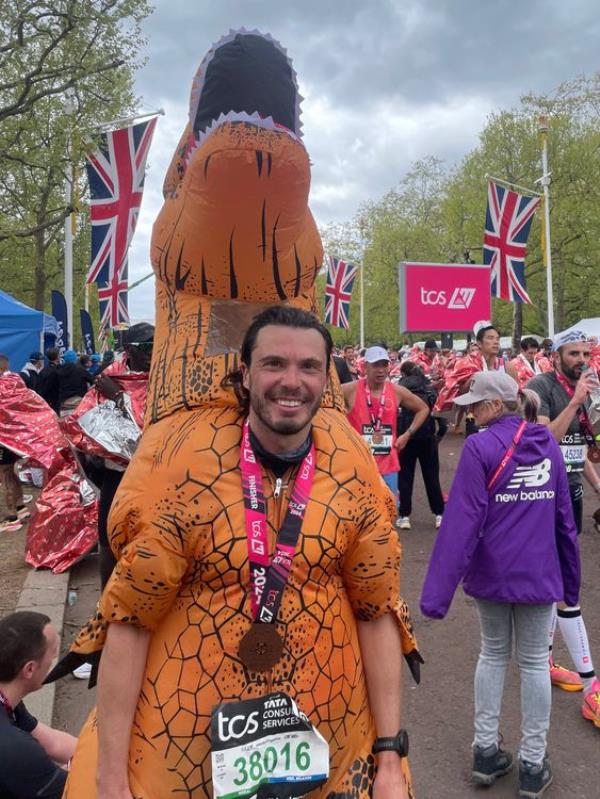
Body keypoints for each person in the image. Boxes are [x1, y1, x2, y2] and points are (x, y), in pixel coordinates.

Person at [54, 306, 419, 799]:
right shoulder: (185, 468)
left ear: (326, 377)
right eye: (274, 364)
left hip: (331, 744)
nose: (291, 381)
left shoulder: (351, 469)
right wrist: (112, 778)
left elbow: (377, 613)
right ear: (245, 374)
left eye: (309, 366)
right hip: (188, 748)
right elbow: (130, 622)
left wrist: (390, 758)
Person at [421, 371, 580, 798]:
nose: (470, 412)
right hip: (539, 574)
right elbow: (564, 519)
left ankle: (485, 751)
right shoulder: (547, 443)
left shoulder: (480, 446)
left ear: (495, 405)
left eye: (475, 404)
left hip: (491, 574)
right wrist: (572, 582)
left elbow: (460, 524)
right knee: (532, 663)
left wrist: (436, 597)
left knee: (492, 654)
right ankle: (532, 763)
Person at [527, 329, 600, 725]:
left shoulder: (586, 388)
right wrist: (574, 402)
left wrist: (598, 486)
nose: (581, 360)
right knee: (566, 591)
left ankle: (546, 660)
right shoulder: (539, 387)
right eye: (573, 353)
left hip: (570, 497)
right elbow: (543, 440)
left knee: (560, 584)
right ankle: (592, 686)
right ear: (555, 356)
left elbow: (577, 450)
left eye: (585, 353)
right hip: (544, 501)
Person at [0, 611, 77, 798]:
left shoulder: (7, 699)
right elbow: (76, 791)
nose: (55, 662)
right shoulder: (16, 750)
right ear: (30, 669)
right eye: (53, 654)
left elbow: (54, 743)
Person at [343, 345, 429, 497]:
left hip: (388, 464)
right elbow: (321, 401)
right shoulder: (350, 390)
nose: (381, 370)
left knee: (388, 512)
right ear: (365, 367)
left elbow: (423, 409)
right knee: (359, 513)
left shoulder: (396, 391)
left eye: (384, 364)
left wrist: (407, 434)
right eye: (376, 365)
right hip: (357, 466)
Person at [396, 362, 445, 530]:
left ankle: (404, 515)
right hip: (427, 436)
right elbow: (438, 412)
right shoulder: (430, 389)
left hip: (405, 437)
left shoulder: (399, 389)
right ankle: (439, 514)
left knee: (405, 478)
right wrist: (439, 434)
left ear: (403, 373)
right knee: (432, 477)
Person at [0, 354, 32, 533]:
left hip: (3, 437)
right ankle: (21, 508)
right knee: (11, 472)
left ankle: (11, 516)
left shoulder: (3, 386)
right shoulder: (16, 382)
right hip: (14, 436)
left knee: (4, 474)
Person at [57, 349, 94, 416]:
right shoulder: (79, 369)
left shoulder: (59, 370)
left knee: (65, 424)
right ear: (75, 359)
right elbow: (92, 380)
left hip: (63, 403)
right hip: (77, 402)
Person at [37, 347, 61, 414]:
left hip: (44, 401)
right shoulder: (56, 372)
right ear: (57, 357)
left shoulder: (43, 371)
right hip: (53, 403)